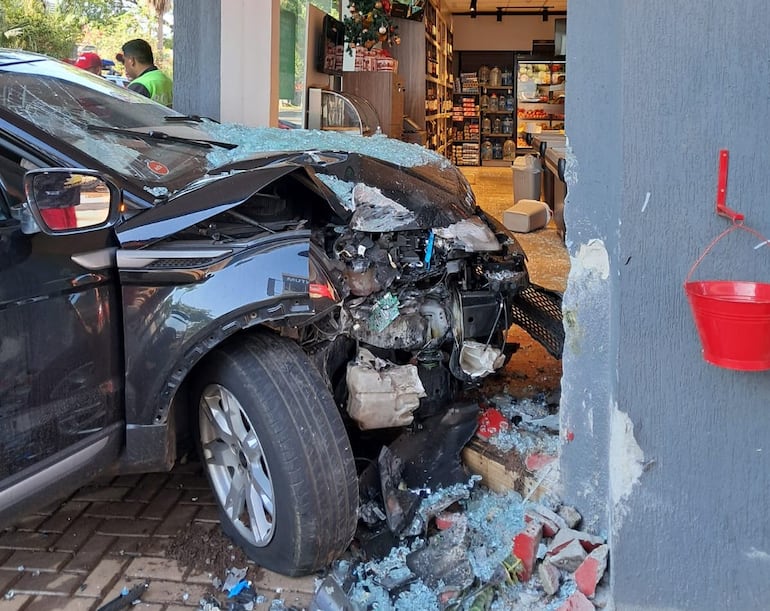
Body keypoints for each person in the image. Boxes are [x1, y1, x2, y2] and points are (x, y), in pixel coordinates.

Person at [116, 39, 173, 107]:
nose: (124, 65)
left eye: (124, 61)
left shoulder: (140, 85)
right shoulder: (166, 80)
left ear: (131, 61)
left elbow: (125, 113)